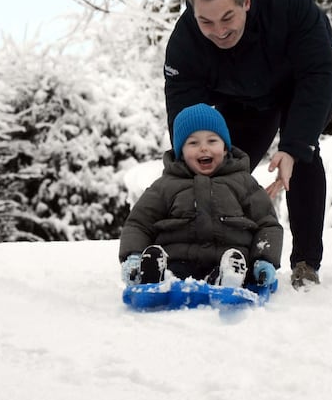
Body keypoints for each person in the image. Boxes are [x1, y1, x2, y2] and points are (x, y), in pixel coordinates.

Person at [163, 0, 332, 288]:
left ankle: (306, 263)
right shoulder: (186, 43)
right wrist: (193, 166)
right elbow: (187, 119)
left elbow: (316, 74)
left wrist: (293, 146)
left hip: (307, 78)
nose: (219, 31)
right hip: (245, 98)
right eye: (206, 21)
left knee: (300, 155)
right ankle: (212, 257)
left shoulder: (287, 0)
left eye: (227, 18)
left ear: (246, 0)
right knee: (221, 166)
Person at [119, 103, 283, 288]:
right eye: (193, 143)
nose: (204, 148)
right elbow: (139, 223)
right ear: (181, 152)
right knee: (170, 271)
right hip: (178, 262)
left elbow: (267, 223)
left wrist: (264, 259)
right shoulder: (165, 186)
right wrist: (133, 255)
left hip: (229, 260)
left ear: (225, 148)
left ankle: (229, 278)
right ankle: (155, 275)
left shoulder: (243, 183)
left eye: (212, 141)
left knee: (234, 267)